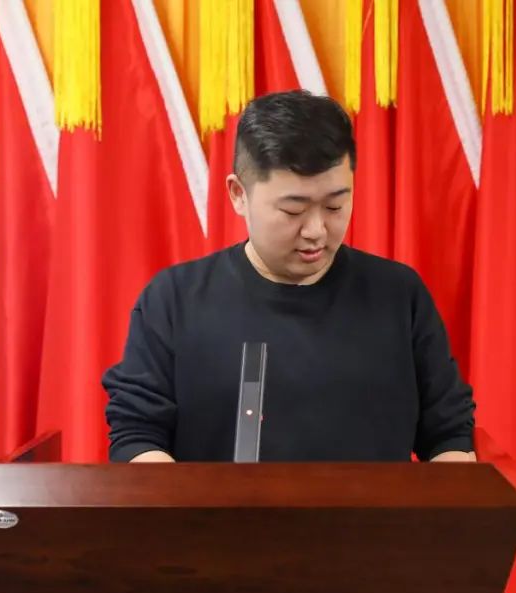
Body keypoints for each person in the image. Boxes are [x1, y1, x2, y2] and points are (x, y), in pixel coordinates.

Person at [101, 90, 476, 463]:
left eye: (335, 205)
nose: (316, 230)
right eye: (293, 210)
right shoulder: (174, 300)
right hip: (214, 507)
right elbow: (138, 436)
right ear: (238, 194)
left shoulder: (398, 296)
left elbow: (449, 434)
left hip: (376, 507)